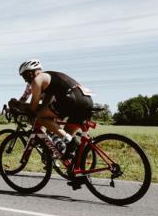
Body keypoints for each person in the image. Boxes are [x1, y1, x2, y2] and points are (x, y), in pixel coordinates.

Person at [9, 59, 95, 187]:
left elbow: (33, 109)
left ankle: (69, 140)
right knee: (68, 147)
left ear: (32, 73)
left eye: (25, 76)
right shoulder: (50, 80)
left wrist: (19, 105)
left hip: (71, 99)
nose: (25, 80)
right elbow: (44, 106)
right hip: (86, 100)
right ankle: (77, 173)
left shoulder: (37, 80)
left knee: (41, 119)